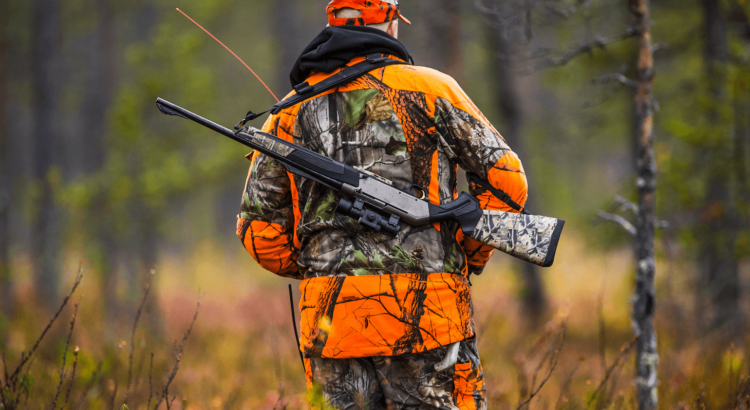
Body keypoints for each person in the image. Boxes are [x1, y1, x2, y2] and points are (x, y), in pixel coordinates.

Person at [236, 1, 528, 408]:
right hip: (430, 313)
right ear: (390, 23)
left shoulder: (288, 111)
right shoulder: (434, 89)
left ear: (333, 22)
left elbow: (259, 230)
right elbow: (507, 180)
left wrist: (319, 267)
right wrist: (463, 252)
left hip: (330, 322)